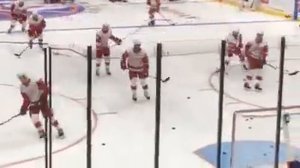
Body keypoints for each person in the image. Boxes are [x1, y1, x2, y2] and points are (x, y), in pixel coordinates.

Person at [18, 73, 64, 139]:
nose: (22, 80)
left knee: (49, 116)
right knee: (34, 118)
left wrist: (43, 99)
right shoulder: (22, 88)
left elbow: (46, 90)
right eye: (21, 79)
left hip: (43, 102)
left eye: (23, 78)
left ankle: (59, 129)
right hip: (34, 105)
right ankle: (41, 131)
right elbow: (26, 99)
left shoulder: (36, 83)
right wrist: (24, 108)